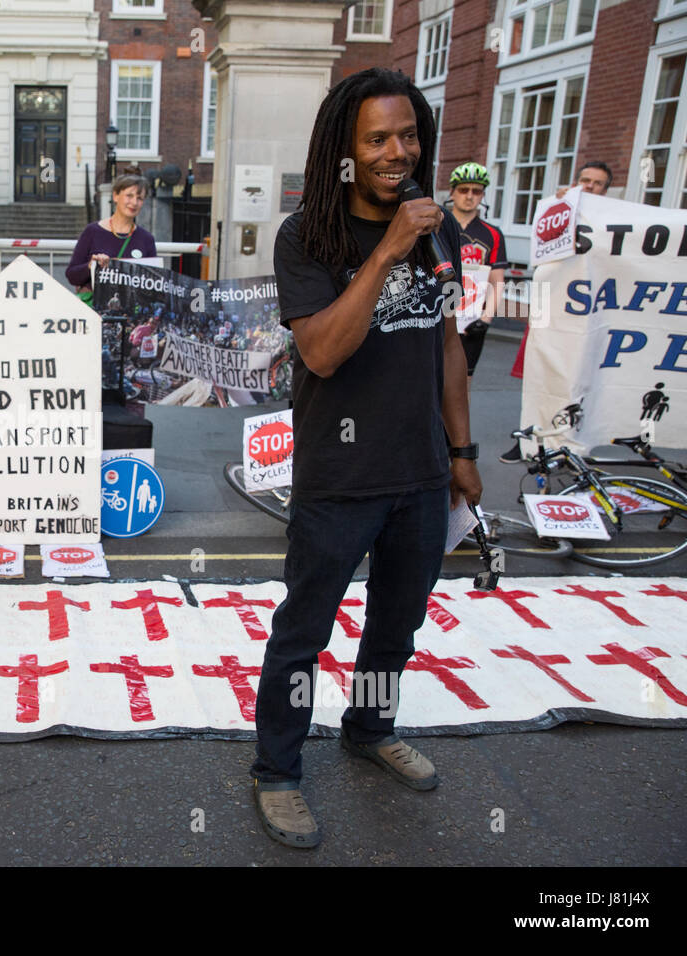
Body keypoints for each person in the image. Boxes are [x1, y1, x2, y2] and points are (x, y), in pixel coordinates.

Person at [250, 68, 481, 849]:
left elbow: (448, 344)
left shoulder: (438, 225)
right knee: (304, 632)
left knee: (394, 625)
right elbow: (319, 352)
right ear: (343, 151)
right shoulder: (306, 235)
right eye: (378, 138)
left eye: (409, 135)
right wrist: (386, 251)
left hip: (419, 474)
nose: (398, 151)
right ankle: (277, 770)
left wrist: (462, 450)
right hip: (340, 479)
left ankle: (369, 725)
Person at [501, 161, 612, 462]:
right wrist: (559, 205)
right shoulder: (561, 211)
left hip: (588, 315)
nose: (589, 186)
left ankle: (571, 444)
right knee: (542, 376)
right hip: (555, 309)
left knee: (580, 381)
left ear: (606, 190)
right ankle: (530, 440)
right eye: (584, 180)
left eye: (597, 183)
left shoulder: (613, 222)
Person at [447, 162, 508, 378]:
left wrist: (486, 318)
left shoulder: (492, 234)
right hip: (440, 314)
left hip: (470, 318)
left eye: (477, 191)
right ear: (452, 192)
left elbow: (497, 280)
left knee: (464, 380)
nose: (470, 196)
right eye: (464, 190)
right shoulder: (436, 225)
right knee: (430, 379)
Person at [65, 173, 158, 294]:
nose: (134, 202)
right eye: (129, 196)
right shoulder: (92, 231)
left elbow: (154, 284)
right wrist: (91, 266)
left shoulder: (146, 239)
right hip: (94, 310)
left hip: (129, 311)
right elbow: (72, 276)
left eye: (139, 198)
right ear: (115, 196)